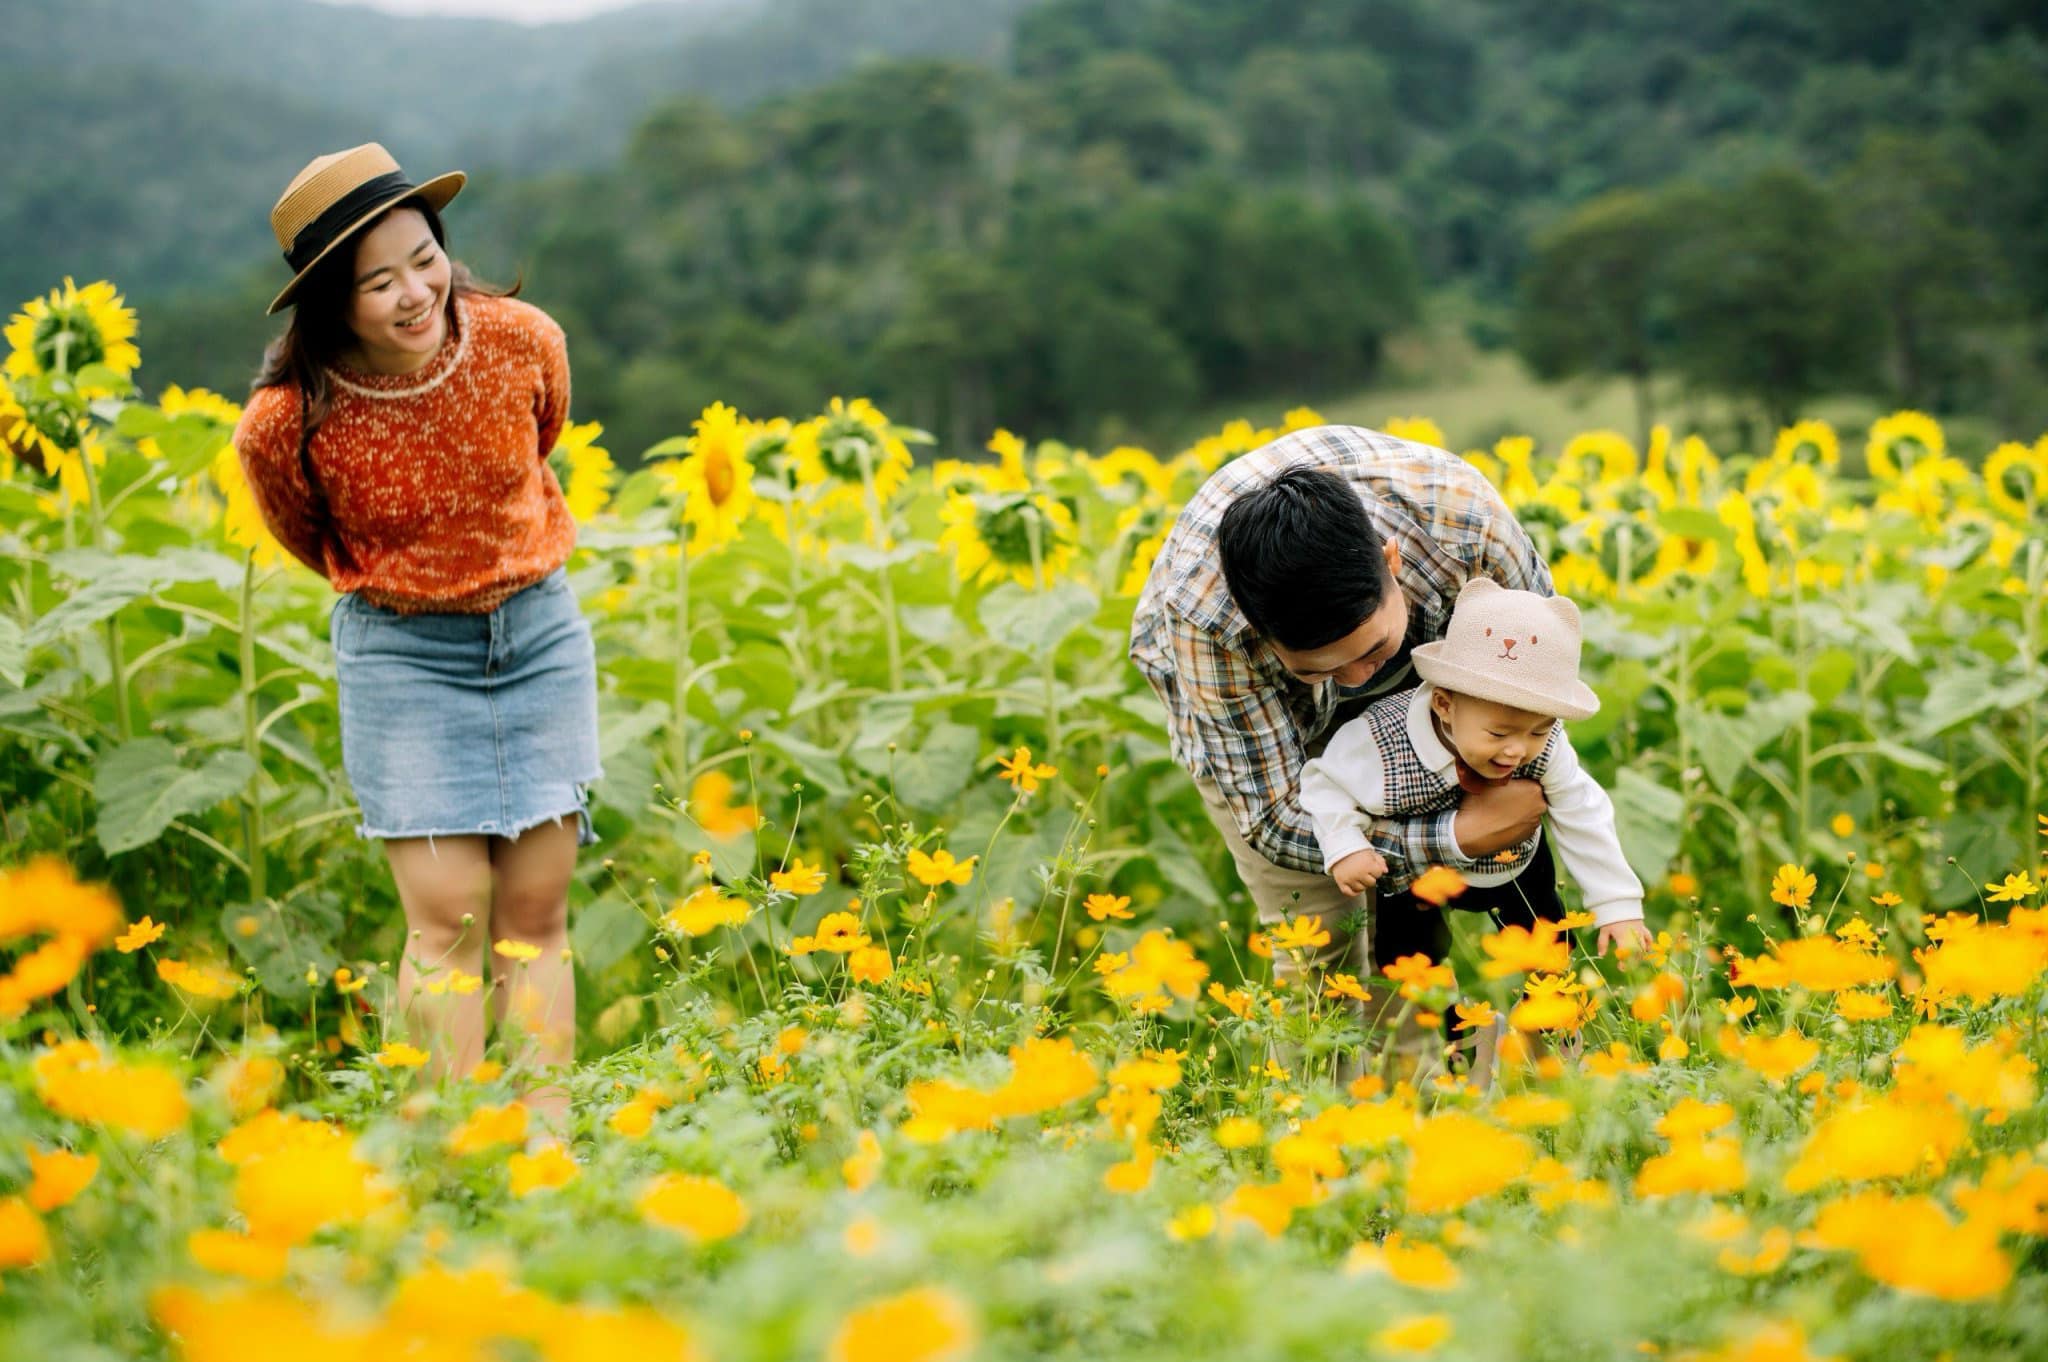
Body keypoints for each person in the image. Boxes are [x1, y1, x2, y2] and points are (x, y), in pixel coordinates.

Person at [232, 143, 600, 1133]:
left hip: (537, 635)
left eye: (424, 259)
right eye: (378, 281)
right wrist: (411, 579)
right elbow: (309, 535)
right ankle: (457, 1152)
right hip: (403, 658)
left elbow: (541, 440)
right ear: (331, 304)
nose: (414, 292)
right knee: (447, 923)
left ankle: (549, 1147)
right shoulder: (285, 423)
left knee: (536, 918)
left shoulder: (521, 339)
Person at [1128, 428, 1556, 1032]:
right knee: (1318, 940)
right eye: (1319, 668)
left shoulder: (1468, 532)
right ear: (1259, 633)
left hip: (1435, 693)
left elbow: (1539, 681)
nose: (1356, 680)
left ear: (1391, 564)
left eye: (1372, 648)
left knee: (1407, 949)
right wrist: (1450, 838)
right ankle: (1314, 1091)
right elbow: (1275, 817)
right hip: (1272, 733)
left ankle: (1421, 1083)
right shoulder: (1207, 622)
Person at [1300, 577, 1652, 975]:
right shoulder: (1382, 740)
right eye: (1498, 734)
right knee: (1407, 958)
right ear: (1444, 705)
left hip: (1516, 864)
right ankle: (1439, 1009)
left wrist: (1616, 904)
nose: (1518, 750)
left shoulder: (1547, 745)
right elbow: (1324, 785)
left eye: (1538, 732)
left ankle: (1546, 1009)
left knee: (1549, 948)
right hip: (1422, 875)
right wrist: (1345, 845)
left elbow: (1581, 808)